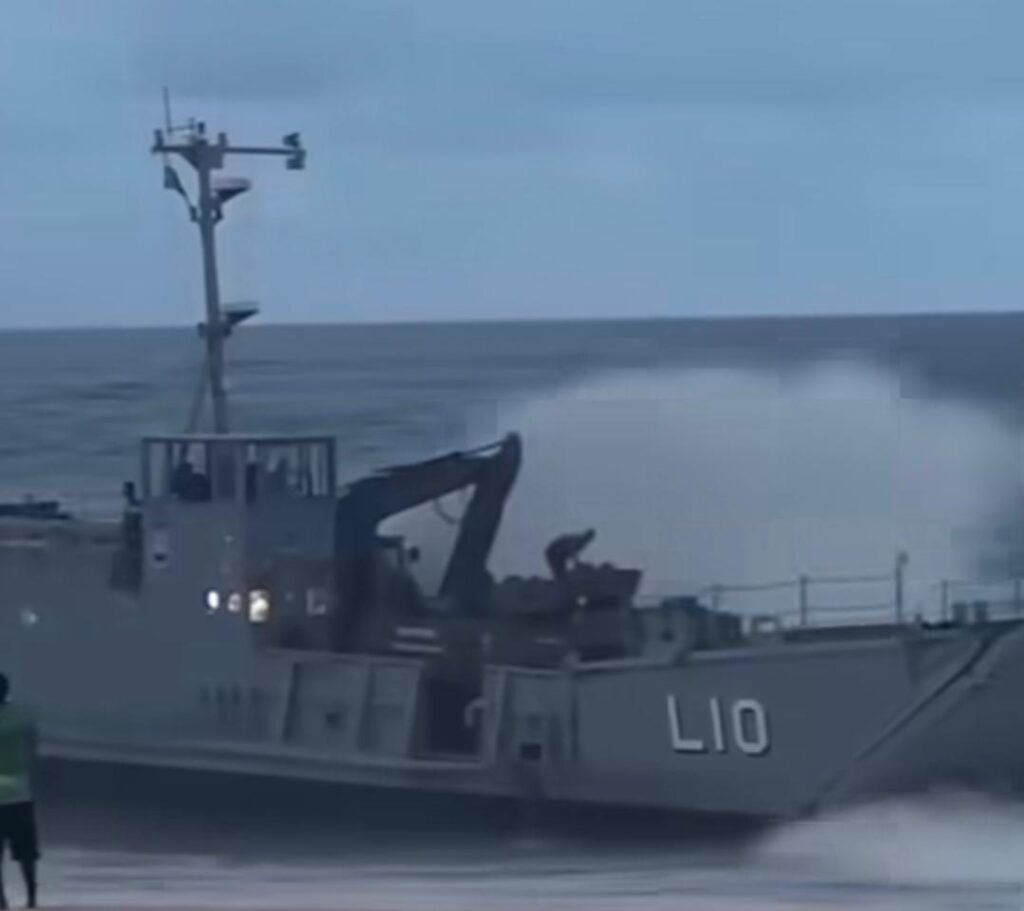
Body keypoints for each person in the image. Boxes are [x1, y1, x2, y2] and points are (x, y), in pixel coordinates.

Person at [0, 673, 38, 910]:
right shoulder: (22, 717)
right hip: (20, 793)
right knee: (26, 852)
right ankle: (32, 898)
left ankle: (1, 900)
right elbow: (33, 749)